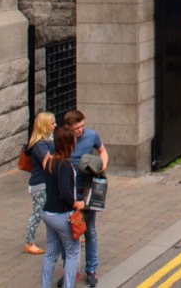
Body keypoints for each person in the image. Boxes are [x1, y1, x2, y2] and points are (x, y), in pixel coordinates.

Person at [66, 109, 109, 287]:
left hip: (86, 191)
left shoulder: (91, 135)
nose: (81, 130)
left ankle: (91, 270)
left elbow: (103, 151)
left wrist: (102, 166)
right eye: (77, 127)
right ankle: (71, 272)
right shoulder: (63, 140)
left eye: (82, 126)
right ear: (68, 128)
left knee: (90, 230)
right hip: (69, 192)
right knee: (70, 234)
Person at [40, 125, 83, 288]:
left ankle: (44, 285)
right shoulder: (65, 165)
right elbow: (66, 195)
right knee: (73, 253)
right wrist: (77, 203)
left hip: (48, 214)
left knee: (51, 253)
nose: (75, 143)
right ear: (68, 144)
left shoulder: (50, 161)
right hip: (62, 216)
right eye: (73, 141)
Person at [24, 111, 57, 254]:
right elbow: (47, 163)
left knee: (50, 210)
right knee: (38, 212)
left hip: (46, 183)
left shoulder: (49, 140)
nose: (55, 125)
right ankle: (29, 242)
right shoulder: (39, 145)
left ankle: (64, 234)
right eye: (52, 123)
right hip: (40, 184)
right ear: (44, 126)